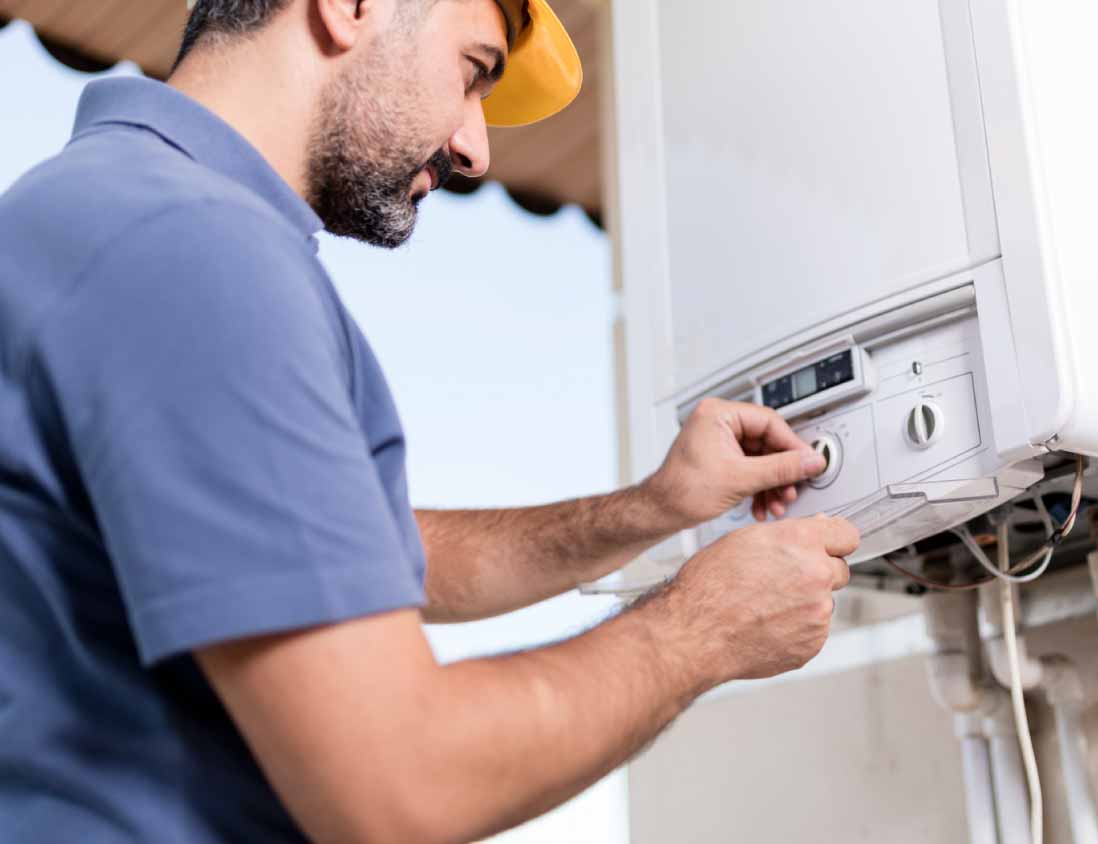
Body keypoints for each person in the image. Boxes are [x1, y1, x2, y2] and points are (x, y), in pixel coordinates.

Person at [0, 0, 859, 841]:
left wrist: (655, 508)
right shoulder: (194, 252)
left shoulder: (114, 210)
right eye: (474, 70)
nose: (474, 149)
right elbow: (401, 785)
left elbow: (337, 552)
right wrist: (705, 628)